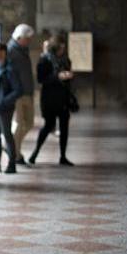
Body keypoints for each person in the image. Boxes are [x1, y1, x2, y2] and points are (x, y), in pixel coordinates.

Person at [29, 36, 75, 166]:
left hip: (63, 98)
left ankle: (63, 156)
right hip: (49, 98)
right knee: (48, 125)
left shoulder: (66, 60)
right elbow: (41, 79)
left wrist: (68, 76)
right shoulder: (44, 60)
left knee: (64, 127)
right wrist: (57, 76)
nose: (63, 49)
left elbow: (68, 77)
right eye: (61, 47)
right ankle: (35, 153)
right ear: (55, 48)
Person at [0, 43, 22, 174]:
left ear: (3, 52)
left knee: (7, 135)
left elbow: (18, 90)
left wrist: (4, 101)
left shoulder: (10, 69)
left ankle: (11, 163)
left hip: (4, 108)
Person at [8, 23, 36, 166]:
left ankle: (11, 146)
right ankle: (16, 153)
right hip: (18, 93)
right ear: (19, 37)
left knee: (29, 123)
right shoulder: (11, 50)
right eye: (27, 38)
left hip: (27, 92)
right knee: (19, 124)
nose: (29, 41)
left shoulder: (23, 50)